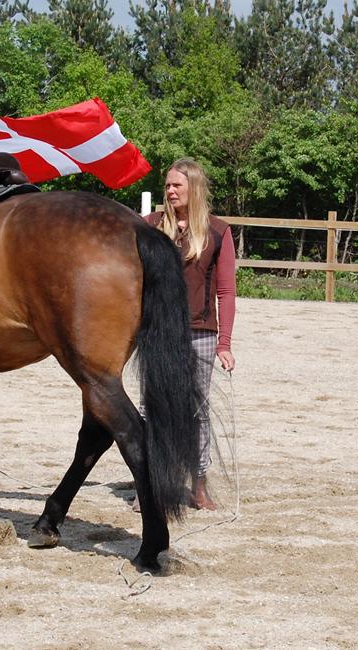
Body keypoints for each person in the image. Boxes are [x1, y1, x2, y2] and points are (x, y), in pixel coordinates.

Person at [145, 158, 236, 511]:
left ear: (193, 189)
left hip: (200, 333)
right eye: (167, 185)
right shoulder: (150, 226)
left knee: (197, 411)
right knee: (152, 409)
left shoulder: (217, 231)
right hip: (157, 333)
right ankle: (151, 485)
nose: (169, 191)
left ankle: (199, 485)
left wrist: (225, 343)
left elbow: (226, 292)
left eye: (176, 185)